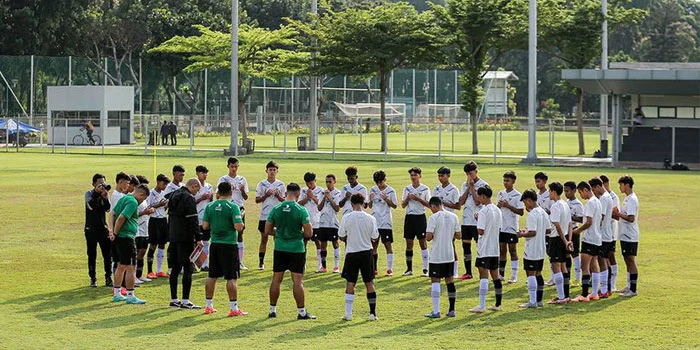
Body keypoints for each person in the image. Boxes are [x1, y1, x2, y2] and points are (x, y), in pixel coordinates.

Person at [265, 183, 316, 320]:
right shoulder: (301, 210)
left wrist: (278, 232)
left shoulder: (276, 208)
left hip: (280, 247)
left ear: (286, 193)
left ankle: (272, 310)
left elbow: (267, 230)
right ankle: (301, 312)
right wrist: (298, 233)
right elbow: (309, 232)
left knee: (276, 279)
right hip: (296, 249)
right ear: (298, 194)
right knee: (297, 281)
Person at [202, 181, 246, 316]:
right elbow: (238, 227)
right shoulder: (233, 207)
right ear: (231, 192)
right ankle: (234, 308)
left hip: (215, 244)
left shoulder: (209, 206)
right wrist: (241, 218)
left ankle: (208, 306)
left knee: (212, 276)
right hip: (229, 245)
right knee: (231, 277)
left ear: (218, 192)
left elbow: (204, 226)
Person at [338, 193, 380, 321]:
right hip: (367, 252)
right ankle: (372, 313)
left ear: (351, 204)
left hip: (352, 252)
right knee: (369, 282)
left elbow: (341, 236)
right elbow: (374, 237)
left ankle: (348, 314)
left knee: (351, 282)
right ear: (364, 203)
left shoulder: (346, 217)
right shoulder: (371, 218)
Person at [108, 184, 150, 305]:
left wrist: (111, 231)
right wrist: (115, 233)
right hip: (126, 237)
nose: (142, 201)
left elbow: (112, 214)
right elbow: (121, 218)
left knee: (121, 266)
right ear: (141, 195)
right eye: (143, 199)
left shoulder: (124, 198)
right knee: (131, 267)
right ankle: (131, 295)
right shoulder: (132, 202)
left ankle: (117, 293)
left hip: (118, 237)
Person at [167, 178, 204, 309]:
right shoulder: (188, 198)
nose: (196, 194)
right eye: (197, 190)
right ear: (193, 186)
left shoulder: (173, 195)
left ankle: (174, 299)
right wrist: (198, 237)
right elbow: (193, 219)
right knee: (188, 267)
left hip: (173, 237)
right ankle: (185, 300)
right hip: (186, 238)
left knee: (175, 268)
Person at [424, 197, 461, 318]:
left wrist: (433, 234)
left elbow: (428, 237)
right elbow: (458, 235)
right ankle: (452, 309)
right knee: (449, 281)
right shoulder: (453, 216)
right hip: (449, 254)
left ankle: (436, 311)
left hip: (437, 255)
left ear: (434, 206)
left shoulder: (433, 218)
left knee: (435, 280)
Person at [470, 185, 504, 313]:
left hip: (484, 248)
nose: (479, 199)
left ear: (483, 196)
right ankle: (498, 303)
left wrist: (477, 219)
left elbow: (481, 230)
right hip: (495, 249)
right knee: (495, 276)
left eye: (479, 196)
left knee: (483, 276)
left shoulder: (483, 211)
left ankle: (481, 305)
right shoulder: (497, 210)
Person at [571, 181, 603, 302]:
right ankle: (594, 293)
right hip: (597, 237)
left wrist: (577, 231)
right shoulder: (598, 202)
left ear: (585, 190)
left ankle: (584, 295)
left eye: (580, 192)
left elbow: (588, 222)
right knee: (594, 265)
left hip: (589, 238)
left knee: (585, 267)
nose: (581, 195)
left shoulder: (590, 203)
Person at [517, 189, 548, 308]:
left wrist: (522, 234)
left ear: (529, 200)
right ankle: (539, 300)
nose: (525, 205)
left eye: (525, 202)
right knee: (538, 274)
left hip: (532, 249)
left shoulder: (532, 214)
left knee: (530, 274)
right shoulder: (543, 212)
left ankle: (532, 301)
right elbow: (548, 230)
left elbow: (533, 232)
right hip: (541, 248)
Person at [216, 157, 249, 270]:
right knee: (225, 233)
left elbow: (246, 197)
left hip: (238, 208)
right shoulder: (223, 179)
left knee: (240, 234)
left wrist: (242, 190)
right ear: (228, 166)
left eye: (236, 166)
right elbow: (217, 195)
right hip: (226, 208)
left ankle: (240, 262)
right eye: (232, 166)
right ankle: (224, 261)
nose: (234, 169)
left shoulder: (242, 179)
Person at [458, 161, 488, 280]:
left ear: (476, 171)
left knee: (479, 245)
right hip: (466, 220)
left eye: (471, 173)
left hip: (478, 220)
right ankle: (468, 272)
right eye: (467, 174)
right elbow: (461, 202)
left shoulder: (483, 185)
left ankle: (483, 270)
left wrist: (472, 187)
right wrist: (468, 188)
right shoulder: (464, 185)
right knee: (466, 245)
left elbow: (478, 201)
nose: (469, 176)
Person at [255, 161, 286, 270]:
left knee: (277, 239)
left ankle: (278, 262)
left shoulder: (281, 185)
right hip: (265, 216)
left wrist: (278, 196)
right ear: (266, 171)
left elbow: (285, 201)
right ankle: (261, 262)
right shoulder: (261, 184)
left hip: (278, 216)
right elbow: (257, 200)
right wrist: (266, 195)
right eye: (270, 170)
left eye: (274, 170)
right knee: (264, 239)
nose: (272, 172)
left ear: (277, 171)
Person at [401, 167, 431, 277]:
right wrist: (408, 199)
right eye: (411, 175)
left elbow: (429, 205)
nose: (413, 177)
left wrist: (418, 199)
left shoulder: (425, 189)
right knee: (409, 243)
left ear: (420, 176)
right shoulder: (407, 189)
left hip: (420, 217)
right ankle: (409, 269)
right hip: (409, 217)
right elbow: (403, 205)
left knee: (423, 242)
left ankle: (425, 269)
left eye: (415, 175)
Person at [432, 166, 461, 277]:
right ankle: (440, 269)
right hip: (437, 220)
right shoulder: (436, 189)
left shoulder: (453, 189)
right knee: (438, 244)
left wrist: (443, 204)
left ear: (448, 175)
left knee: (451, 244)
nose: (440, 178)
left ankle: (455, 271)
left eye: (442, 176)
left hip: (449, 220)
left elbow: (458, 206)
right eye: (439, 176)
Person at [84, 173, 112, 287]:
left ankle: (108, 277)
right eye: (100, 183)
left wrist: (105, 197)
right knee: (92, 255)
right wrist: (96, 193)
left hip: (102, 228)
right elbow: (90, 206)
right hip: (90, 229)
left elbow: (108, 209)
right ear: (93, 184)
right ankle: (93, 278)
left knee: (107, 254)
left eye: (103, 183)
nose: (102, 185)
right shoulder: (89, 194)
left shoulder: (105, 194)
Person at [547, 182, 573, 304]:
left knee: (556, 267)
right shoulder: (565, 204)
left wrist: (564, 240)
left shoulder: (555, 206)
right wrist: (569, 240)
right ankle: (565, 296)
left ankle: (562, 297)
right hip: (565, 238)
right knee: (563, 267)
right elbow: (569, 224)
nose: (548, 194)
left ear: (553, 191)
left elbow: (557, 226)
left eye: (549, 191)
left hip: (557, 239)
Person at [369, 170, 398, 276]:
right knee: (373, 245)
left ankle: (389, 269)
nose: (379, 184)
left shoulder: (391, 191)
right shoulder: (372, 189)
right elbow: (370, 206)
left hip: (386, 222)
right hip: (375, 222)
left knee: (388, 245)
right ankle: (374, 268)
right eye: (377, 182)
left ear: (385, 180)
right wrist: (371, 200)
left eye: (381, 182)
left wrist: (386, 199)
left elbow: (395, 206)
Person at [496, 171, 524, 283]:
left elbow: (521, 212)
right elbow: (498, 208)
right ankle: (501, 274)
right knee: (502, 250)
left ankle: (514, 275)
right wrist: (499, 205)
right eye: (504, 180)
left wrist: (508, 206)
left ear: (513, 181)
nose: (505, 183)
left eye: (507, 181)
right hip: (501, 227)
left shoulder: (518, 195)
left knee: (512, 250)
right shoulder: (500, 193)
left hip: (512, 227)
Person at [614, 175, 639, 297]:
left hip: (630, 234)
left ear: (627, 185)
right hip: (624, 234)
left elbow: (631, 218)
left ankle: (633, 289)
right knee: (627, 260)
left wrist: (618, 213)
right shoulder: (627, 199)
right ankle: (629, 285)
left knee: (631, 260)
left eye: (621, 185)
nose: (620, 187)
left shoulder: (632, 199)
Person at [591, 177, 613, 299]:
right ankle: (607, 288)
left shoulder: (604, 198)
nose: (594, 192)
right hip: (607, 234)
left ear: (598, 187)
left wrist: (594, 227)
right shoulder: (607, 196)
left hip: (603, 235)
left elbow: (601, 217)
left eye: (594, 189)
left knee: (602, 260)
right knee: (605, 260)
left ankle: (604, 289)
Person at [298, 172, 325, 270]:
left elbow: (321, 205)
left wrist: (313, 197)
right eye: (307, 183)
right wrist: (307, 197)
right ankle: (302, 264)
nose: (309, 185)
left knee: (318, 242)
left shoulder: (321, 191)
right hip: (305, 221)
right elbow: (299, 204)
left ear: (315, 181)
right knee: (303, 242)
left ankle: (320, 264)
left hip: (317, 221)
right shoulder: (303, 191)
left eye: (311, 183)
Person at [146, 174, 170, 279]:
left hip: (163, 220)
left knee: (162, 244)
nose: (164, 186)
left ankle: (159, 270)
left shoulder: (164, 194)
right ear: (158, 182)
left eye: (166, 184)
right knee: (153, 245)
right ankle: (150, 270)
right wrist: (158, 205)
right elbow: (148, 207)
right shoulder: (151, 193)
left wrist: (165, 206)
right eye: (163, 184)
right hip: (154, 220)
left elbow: (163, 208)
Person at [316, 174, 342, 273]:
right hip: (322, 223)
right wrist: (324, 197)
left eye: (330, 182)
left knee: (335, 243)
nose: (328, 184)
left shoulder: (338, 193)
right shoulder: (322, 193)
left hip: (333, 223)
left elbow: (337, 208)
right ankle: (323, 266)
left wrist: (329, 198)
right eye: (326, 181)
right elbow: (319, 208)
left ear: (334, 182)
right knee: (323, 244)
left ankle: (336, 266)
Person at [534, 172, 555, 286]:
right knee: (539, 252)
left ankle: (553, 276)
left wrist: (545, 212)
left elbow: (553, 211)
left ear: (545, 181)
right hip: (538, 229)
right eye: (536, 182)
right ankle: (536, 275)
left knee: (549, 253)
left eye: (539, 181)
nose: (537, 184)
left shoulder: (550, 195)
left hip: (548, 228)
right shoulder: (536, 195)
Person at [600, 174, 620, 292]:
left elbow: (615, 215)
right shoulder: (601, 197)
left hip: (611, 231)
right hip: (602, 232)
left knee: (610, 256)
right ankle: (603, 282)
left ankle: (612, 284)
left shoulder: (613, 197)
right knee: (602, 257)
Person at [564, 181, 584, 286]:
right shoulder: (566, 202)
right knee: (566, 254)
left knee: (575, 254)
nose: (566, 193)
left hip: (574, 230)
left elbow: (581, 219)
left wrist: (571, 217)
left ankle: (577, 277)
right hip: (566, 231)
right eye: (564, 191)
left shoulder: (578, 204)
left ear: (574, 191)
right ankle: (567, 275)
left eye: (567, 191)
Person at [135, 175, 154, 283]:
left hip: (145, 228)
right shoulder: (134, 199)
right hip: (137, 229)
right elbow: (133, 214)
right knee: (137, 253)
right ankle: (134, 276)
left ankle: (139, 274)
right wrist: (145, 212)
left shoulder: (144, 200)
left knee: (142, 252)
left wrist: (150, 210)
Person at [194, 165, 214, 271]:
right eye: (203, 173)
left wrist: (210, 198)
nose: (205, 175)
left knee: (206, 241)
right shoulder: (193, 186)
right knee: (195, 242)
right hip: (196, 217)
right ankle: (193, 264)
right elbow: (191, 202)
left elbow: (211, 202)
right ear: (197, 173)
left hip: (206, 218)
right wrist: (201, 198)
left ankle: (204, 264)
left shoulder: (209, 186)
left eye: (206, 173)